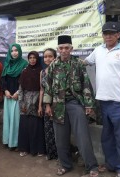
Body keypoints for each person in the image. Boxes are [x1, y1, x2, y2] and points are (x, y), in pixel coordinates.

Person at [84, 22, 120, 177]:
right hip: (102, 102)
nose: (108, 36)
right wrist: (65, 58)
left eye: (111, 34)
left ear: (117, 35)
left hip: (119, 102)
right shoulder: (98, 50)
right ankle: (112, 164)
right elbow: (85, 62)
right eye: (105, 33)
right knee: (107, 138)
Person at [43, 35, 99, 177]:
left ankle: (91, 166)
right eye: (61, 48)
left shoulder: (78, 64)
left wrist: (88, 105)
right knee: (60, 138)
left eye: (66, 48)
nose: (64, 50)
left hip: (75, 103)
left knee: (83, 136)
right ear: (58, 49)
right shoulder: (53, 66)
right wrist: (47, 105)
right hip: (58, 105)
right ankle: (65, 165)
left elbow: (86, 84)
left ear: (71, 48)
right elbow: (47, 86)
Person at [18, 51, 45, 157]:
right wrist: (21, 102)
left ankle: (38, 149)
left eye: (34, 58)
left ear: (37, 59)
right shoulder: (24, 71)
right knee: (25, 126)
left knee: (37, 126)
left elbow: (42, 88)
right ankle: (24, 149)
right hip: (25, 101)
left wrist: (40, 103)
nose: (32, 59)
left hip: (38, 100)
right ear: (28, 59)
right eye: (30, 58)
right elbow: (21, 88)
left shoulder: (41, 71)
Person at [1, 43, 28, 150]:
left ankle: (16, 143)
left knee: (16, 120)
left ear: (20, 51)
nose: (14, 53)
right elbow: (3, 79)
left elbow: (25, 81)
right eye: (12, 51)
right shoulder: (7, 64)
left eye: (16, 50)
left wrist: (18, 92)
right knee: (7, 119)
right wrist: (5, 91)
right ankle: (7, 141)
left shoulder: (24, 64)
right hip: (8, 96)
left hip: (18, 96)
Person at [38, 48, 58, 160]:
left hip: (57, 104)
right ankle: (51, 153)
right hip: (46, 104)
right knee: (48, 129)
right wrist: (40, 106)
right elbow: (41, 90)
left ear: (55, 57)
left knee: (58, 130)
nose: (47, 59)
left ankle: (61, 154)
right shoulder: (42, 72)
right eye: (45, 56)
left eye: (50, 56)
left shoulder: (58, 70)